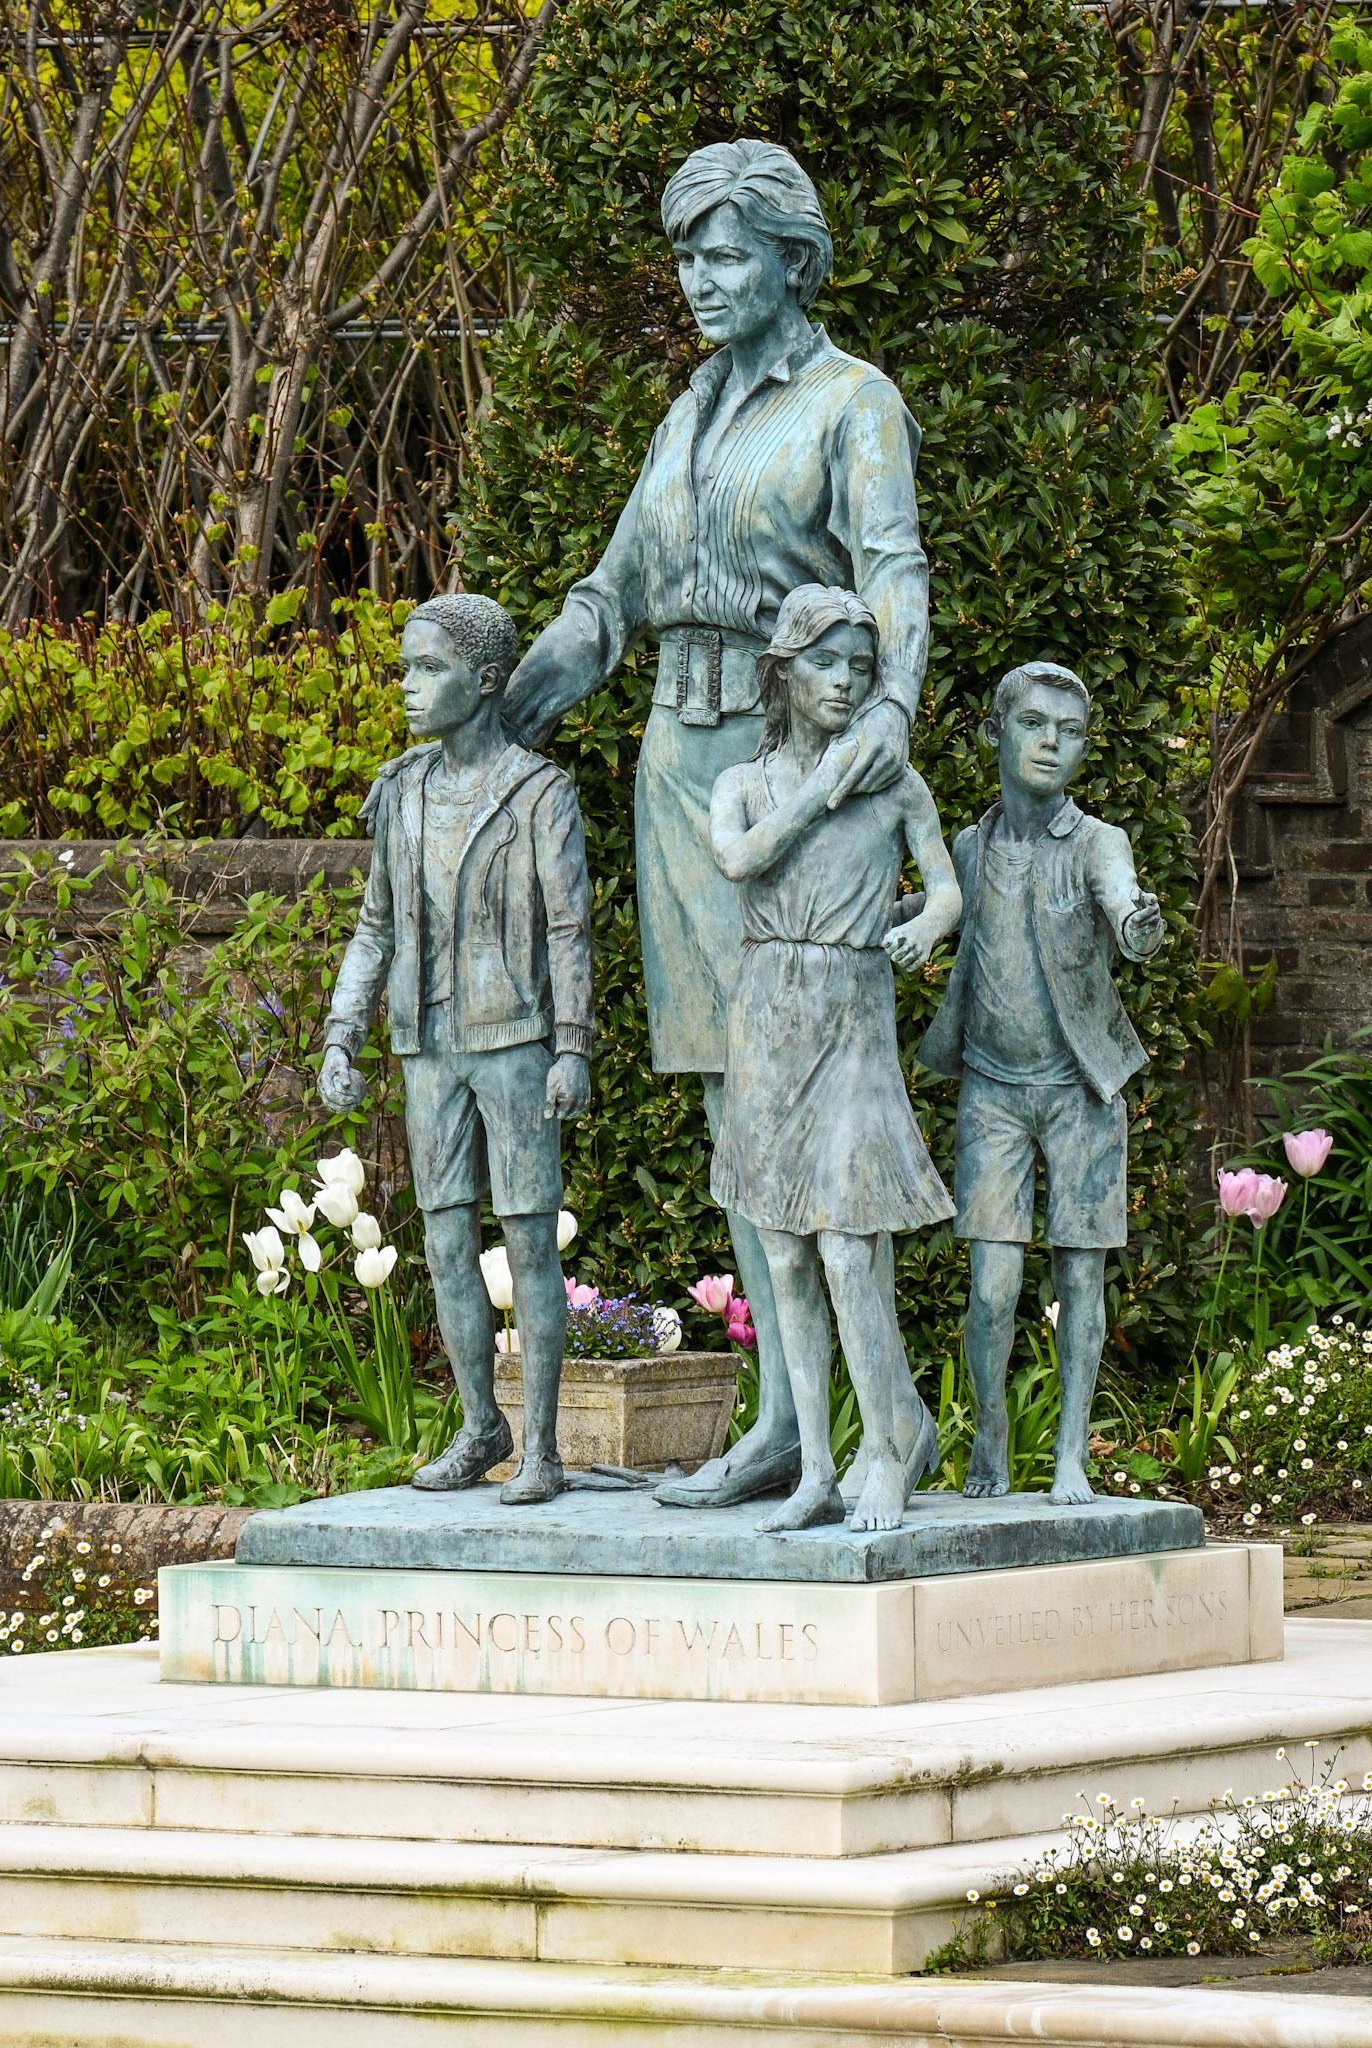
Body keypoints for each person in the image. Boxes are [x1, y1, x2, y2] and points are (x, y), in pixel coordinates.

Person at [504, 139, 933, 1509]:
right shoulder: (685, 413)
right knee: (723, 1100)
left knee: (803, 1102)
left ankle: (871, 1424)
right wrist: (503, 715)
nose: (698, 279)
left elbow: (893, 572)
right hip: (671, 766)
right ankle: (782, 1424)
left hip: (781, 773)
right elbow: (609, 594)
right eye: (687, 255)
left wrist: (892, 715)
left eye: (726, 253)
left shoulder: (851, 405)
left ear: (793, 262)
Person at [319, 594, 594, 1506]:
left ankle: (543, 1447)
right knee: (443, 1243)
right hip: (427, 1043)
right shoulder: (400, 794)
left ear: (482, 683)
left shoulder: (539, 793)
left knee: (528, 1244)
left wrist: (573, 1046)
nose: (406, 687)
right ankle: (482, 1425)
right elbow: (374, 926)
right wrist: (341, 1032)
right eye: (405, 668)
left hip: (515, 1043)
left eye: (426, 669)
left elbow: (569, 930)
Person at [702, 586, 960, 1532]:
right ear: (784, 671)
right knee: (784, 1256)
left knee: (852, 1250)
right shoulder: (742, 782)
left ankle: (890, 1449)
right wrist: (821, 789)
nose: (847, 684)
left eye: (862, 667)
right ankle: (816, 1466)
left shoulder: (896, 783)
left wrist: (927, 927)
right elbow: (739, 860)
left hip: (853, 1016)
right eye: (826, 664)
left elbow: (945, 892)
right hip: (767, 1015)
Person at [918, 662, 1165, 1505]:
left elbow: (1124, 902)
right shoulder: (966, 848)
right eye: (1034, 724)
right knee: (991, 1288)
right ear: (995, 733)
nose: (1052, 743)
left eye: (1068, 731)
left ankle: (1070, 1457)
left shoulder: (1100, 843)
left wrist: (1138, 921)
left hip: (1082, 1093)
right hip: (990, 1091)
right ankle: (989, 1445)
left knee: (1080, 1279)